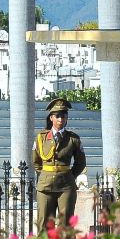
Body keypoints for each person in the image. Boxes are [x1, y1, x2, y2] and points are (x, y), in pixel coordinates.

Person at [33, 98, 86, 231]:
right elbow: (36, 162)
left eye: (64, 115)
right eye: (57, 116)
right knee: (44, 224)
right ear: (51, 118)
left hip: (66, 186)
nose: (61, 119)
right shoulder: (41, 137)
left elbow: (80, 163)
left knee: (66, 225)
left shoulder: (73, 138)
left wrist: (68, 176)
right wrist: (46, 174)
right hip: (45, 186)